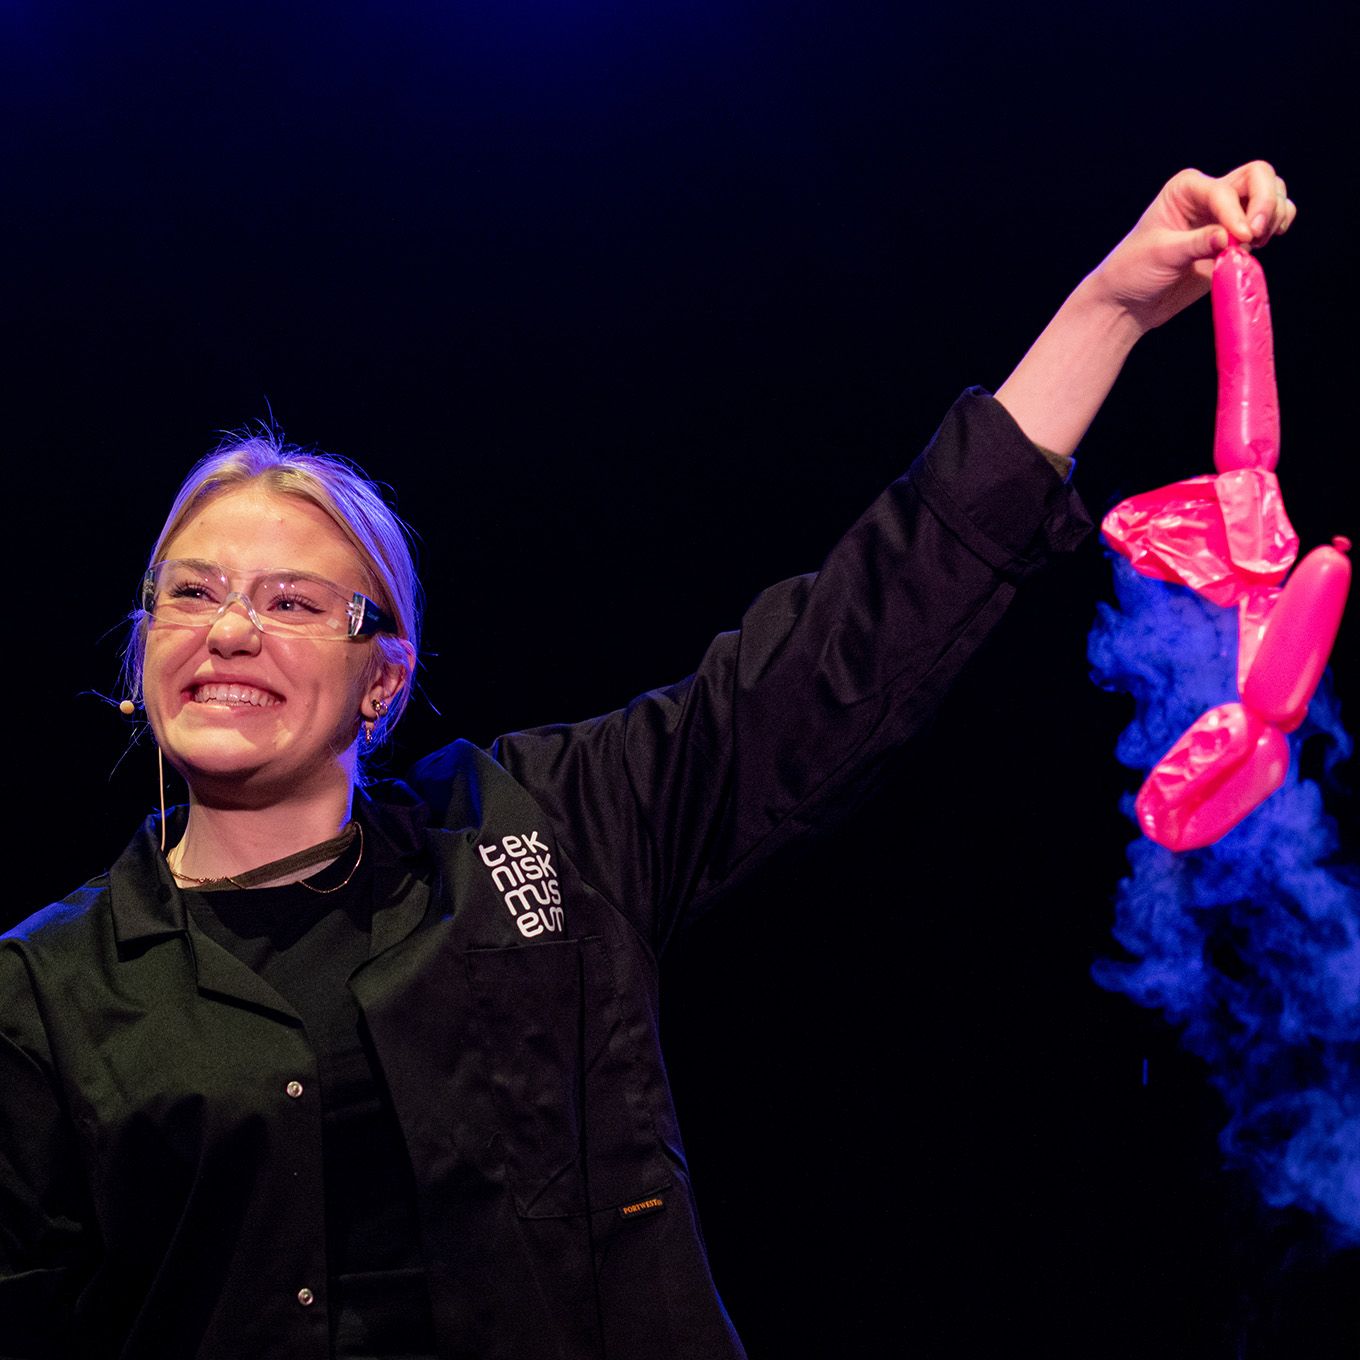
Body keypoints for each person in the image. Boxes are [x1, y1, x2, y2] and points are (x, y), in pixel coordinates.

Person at [0, 163, 1295, 1359]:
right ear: (138, 653)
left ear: (381, 680)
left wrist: (1110, 310)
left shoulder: (534, 833)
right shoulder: (43, 997)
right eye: (191, 594)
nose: (230, 628)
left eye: (291, 603)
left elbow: (837, 657)